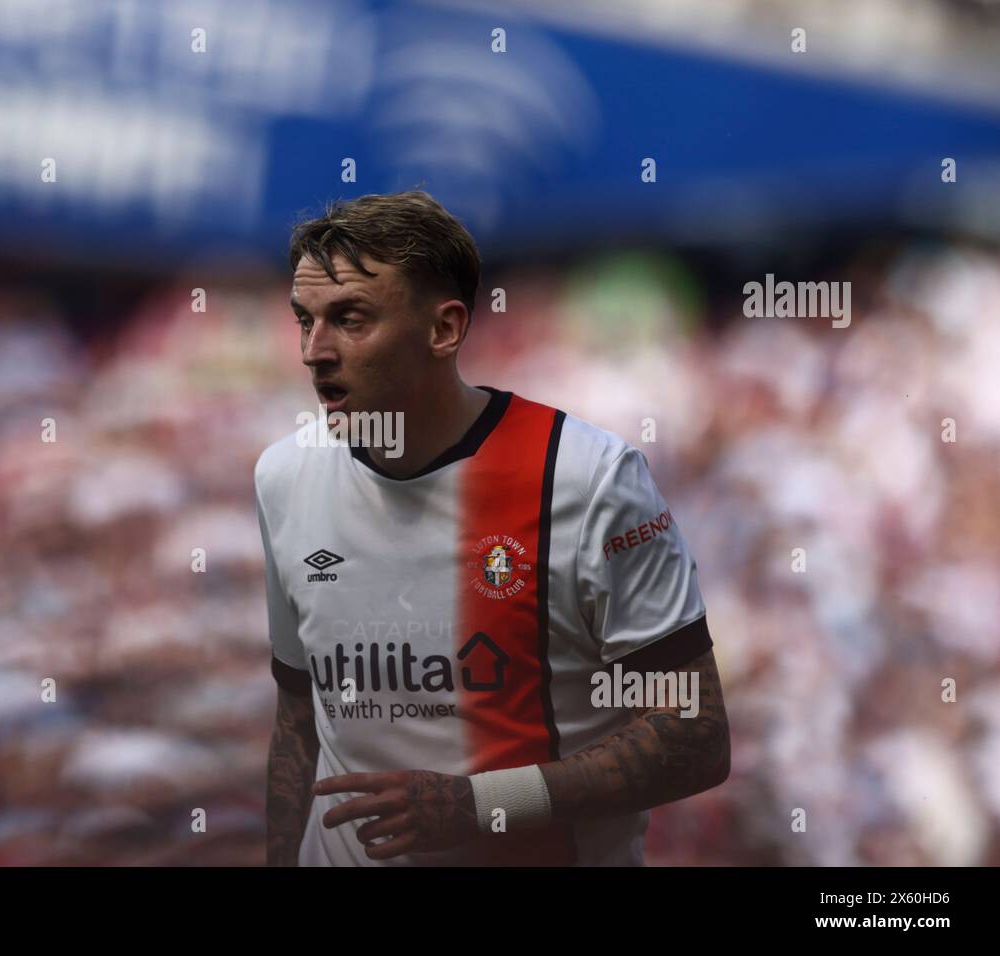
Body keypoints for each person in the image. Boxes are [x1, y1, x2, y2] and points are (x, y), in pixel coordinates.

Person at [257, 190, 729, 866]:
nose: (314, 351)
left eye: (351, 319)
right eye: (305, 321)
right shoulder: (283, 477)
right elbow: (300, 718)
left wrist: (481, 806)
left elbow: (695, 733)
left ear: (444, 330)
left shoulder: (586, 479)